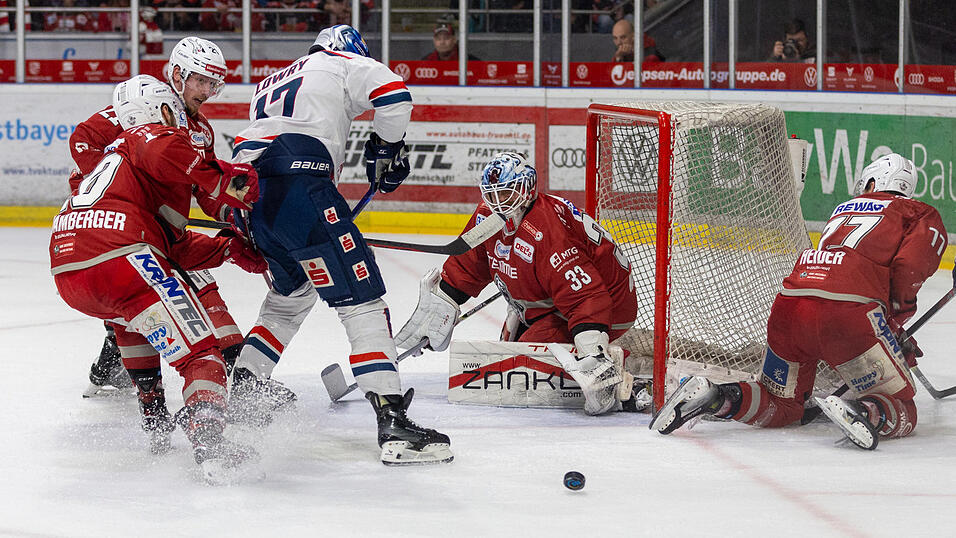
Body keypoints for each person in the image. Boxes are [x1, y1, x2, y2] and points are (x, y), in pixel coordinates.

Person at [230, 24, 452, 465]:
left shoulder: (271, 80)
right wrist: (386, 148)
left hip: (251, 200)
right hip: (301, 191)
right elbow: (395, 95)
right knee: (362, 299)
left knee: (288, 296)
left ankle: (246, 390)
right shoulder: (342, 62)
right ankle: (393, 422)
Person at [650, 153, 946, 450]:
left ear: (871, 182)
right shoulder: (917, 212)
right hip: (848, 315)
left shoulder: (842, 209)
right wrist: (894, 321)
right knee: (902, 405)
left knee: (781, 403)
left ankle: (717, 397)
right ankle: (862, 410)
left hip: (790, 307)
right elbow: (909, 266)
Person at [50, 75, 264, 482]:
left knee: (131, 319)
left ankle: (154, 418)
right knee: (202, 355)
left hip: (69, 268)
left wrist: (228, 249)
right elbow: (196, 169)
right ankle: (210, 446)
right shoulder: (151, 137)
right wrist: (241, 187)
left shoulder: (112, 165)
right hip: (120, 257)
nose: (181, 119)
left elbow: (174, 247)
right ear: (162, 110)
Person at [70, 38, 246, 430]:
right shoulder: (145, 102)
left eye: (214, 85)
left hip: (159, 232)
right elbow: (82, 139)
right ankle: (123, 363)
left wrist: (235, 218)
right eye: (201, 81)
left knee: (183, 286)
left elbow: (208, 192)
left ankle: (231, 365)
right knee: (153, 297)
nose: (207, 92)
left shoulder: (200, 129)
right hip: (128, 231)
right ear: (178, 74)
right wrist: (127, 189)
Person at [394, 152, 639, 416]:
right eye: (493, 194)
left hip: (608, 307)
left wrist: (594, 358)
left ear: (527, 189)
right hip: (551, 300)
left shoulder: (547, 228)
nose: (499, 202)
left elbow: (584, 296)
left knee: (522, 363)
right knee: (511, 348)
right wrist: (441, 306)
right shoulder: (488, 213)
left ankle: (621, 382)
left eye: (507, 193)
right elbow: (470, 264)